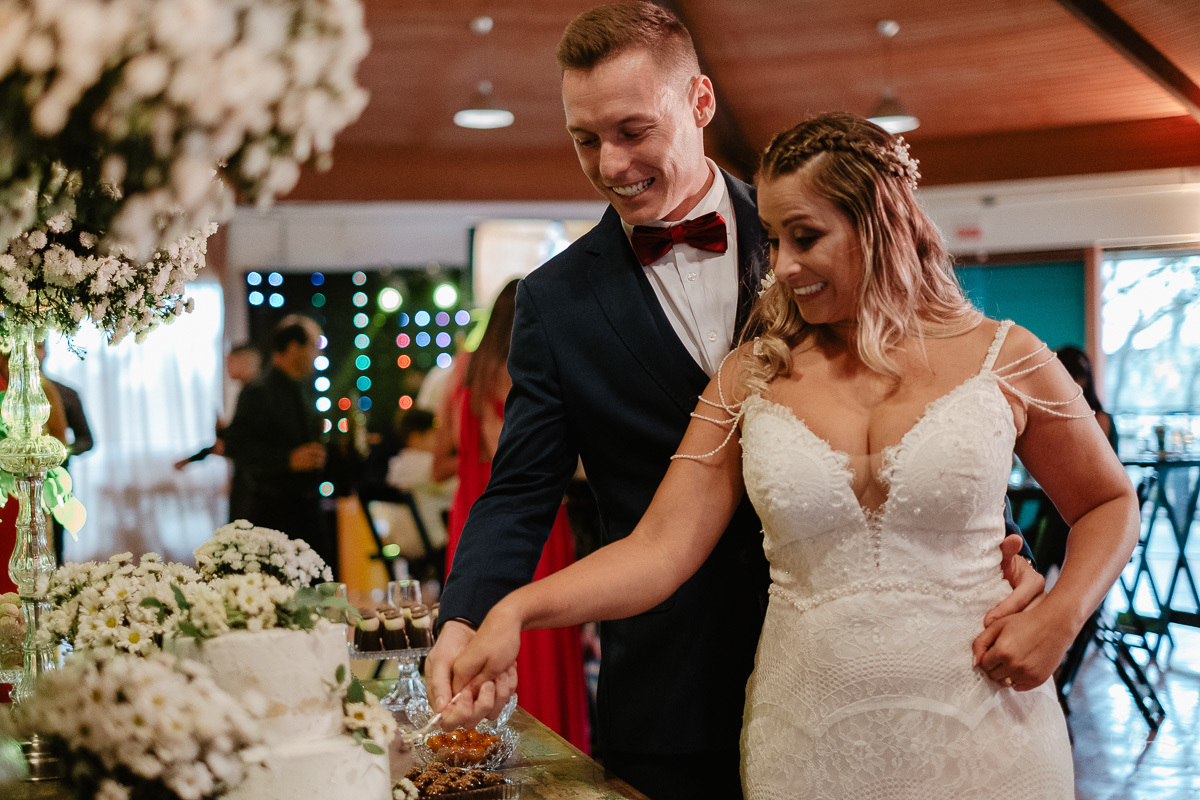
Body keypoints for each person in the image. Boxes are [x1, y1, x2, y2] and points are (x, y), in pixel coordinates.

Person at [427, 5, 1043, 799]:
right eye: (586, 138)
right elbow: (518, 490)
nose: (611, 164)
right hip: (669, 684)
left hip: (865, 670)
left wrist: (990, 553)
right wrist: (469, 617)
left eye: (633, 130)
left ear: (700, 103)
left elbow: (934, 400)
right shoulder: (555, 301)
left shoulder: (825, 232)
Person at [435, 279, 590, 751]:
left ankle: (480, 744)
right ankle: (543, 743)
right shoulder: (523, 371)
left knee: (474, 625)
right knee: (535, 638)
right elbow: (523, 462)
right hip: (531, 524)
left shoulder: (462, 372)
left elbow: (443, 457)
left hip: (471, 521)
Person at [222, 316, 336, 572]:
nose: (319, 353)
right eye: (314, 346)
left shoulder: (306, 389)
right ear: (294, 347)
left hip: (308, 512)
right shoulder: (258, 391)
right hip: (273, 516)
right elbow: (237, 447)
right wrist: (288, 460)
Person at [36, 340, 93, 565]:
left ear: (46, 351)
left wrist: (58, 451)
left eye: (39, 346)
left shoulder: (65, 393)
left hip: (55, 480)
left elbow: (87, 440)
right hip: (13, 484)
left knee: (53, 549)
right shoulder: (9, 395)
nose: (33, 351)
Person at [173, 344, 262, 475]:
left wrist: (223, 433)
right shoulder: (250, 391)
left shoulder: (254, 393)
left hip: (256, 473)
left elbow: (245, 439)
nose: (226, 367)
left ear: (245, 361)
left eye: (230, 361)